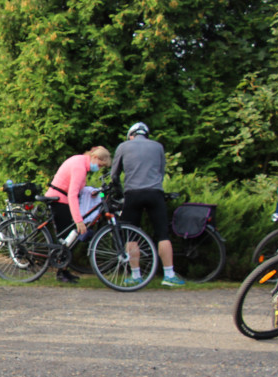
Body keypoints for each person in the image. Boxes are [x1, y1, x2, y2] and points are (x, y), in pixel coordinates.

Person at [110, 122, 184, 287]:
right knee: (163, 234)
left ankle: (136, 275)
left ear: (131, 135)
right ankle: (169, 275)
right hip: (154, 193)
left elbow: (114, 175)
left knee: (131, 234)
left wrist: (120, 192)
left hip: (132, 194)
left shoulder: (123, 146)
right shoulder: (158, 147)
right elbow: (161, 171)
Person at [45, 146, 112, 283]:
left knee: (70, 238)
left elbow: (79, 189)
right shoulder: (80, 167)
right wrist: (79, 220)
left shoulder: (82, 163)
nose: (98, 168)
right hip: (59, 200)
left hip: (62, 199)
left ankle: (64, 270)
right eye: (99, 165)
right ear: (95, 157)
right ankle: (61, 272)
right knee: (67, 237)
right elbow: (72, 194)